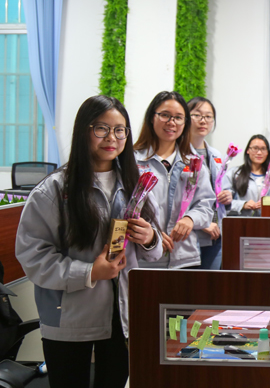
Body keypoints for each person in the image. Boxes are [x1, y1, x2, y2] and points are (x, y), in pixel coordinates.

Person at [15, 96, 162, 388]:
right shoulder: (55, 189)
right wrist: (90, 272)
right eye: (101, 128)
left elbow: (154, 252)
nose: (112, 138)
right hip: (69, 319)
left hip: (122, 318)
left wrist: (150, 238)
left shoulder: (136, 185)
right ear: (84, 130)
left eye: (120, 130)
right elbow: (33, 256)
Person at [134, 91, 215, 269]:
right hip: (143, 259)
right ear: (152, 118)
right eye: (165, 115)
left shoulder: (194, 163)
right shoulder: (134, 161)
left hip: (185, 259)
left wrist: (190, 219)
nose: (171, 122)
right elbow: (125, 209)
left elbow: (206, 205)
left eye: (178, 117)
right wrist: (152, 235)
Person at [188, 97, 231, 270]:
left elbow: (221, 187)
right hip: (191, 234)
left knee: (211, 283)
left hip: (216, 233)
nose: (203, 121)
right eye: (197, 115)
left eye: (208, 116)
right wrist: (201, 223)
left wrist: (227, 196)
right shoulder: (180, 155)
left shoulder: (216, 155)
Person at [223, 134, 270, 216]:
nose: (259, 153)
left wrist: (267, 204)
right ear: (248, 150)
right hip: (241, 222)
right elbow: (223, 203)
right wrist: (243, 205)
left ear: (267, 153)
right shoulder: (234, 174)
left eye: (263, 149)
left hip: (266, 222)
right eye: (255, 148)